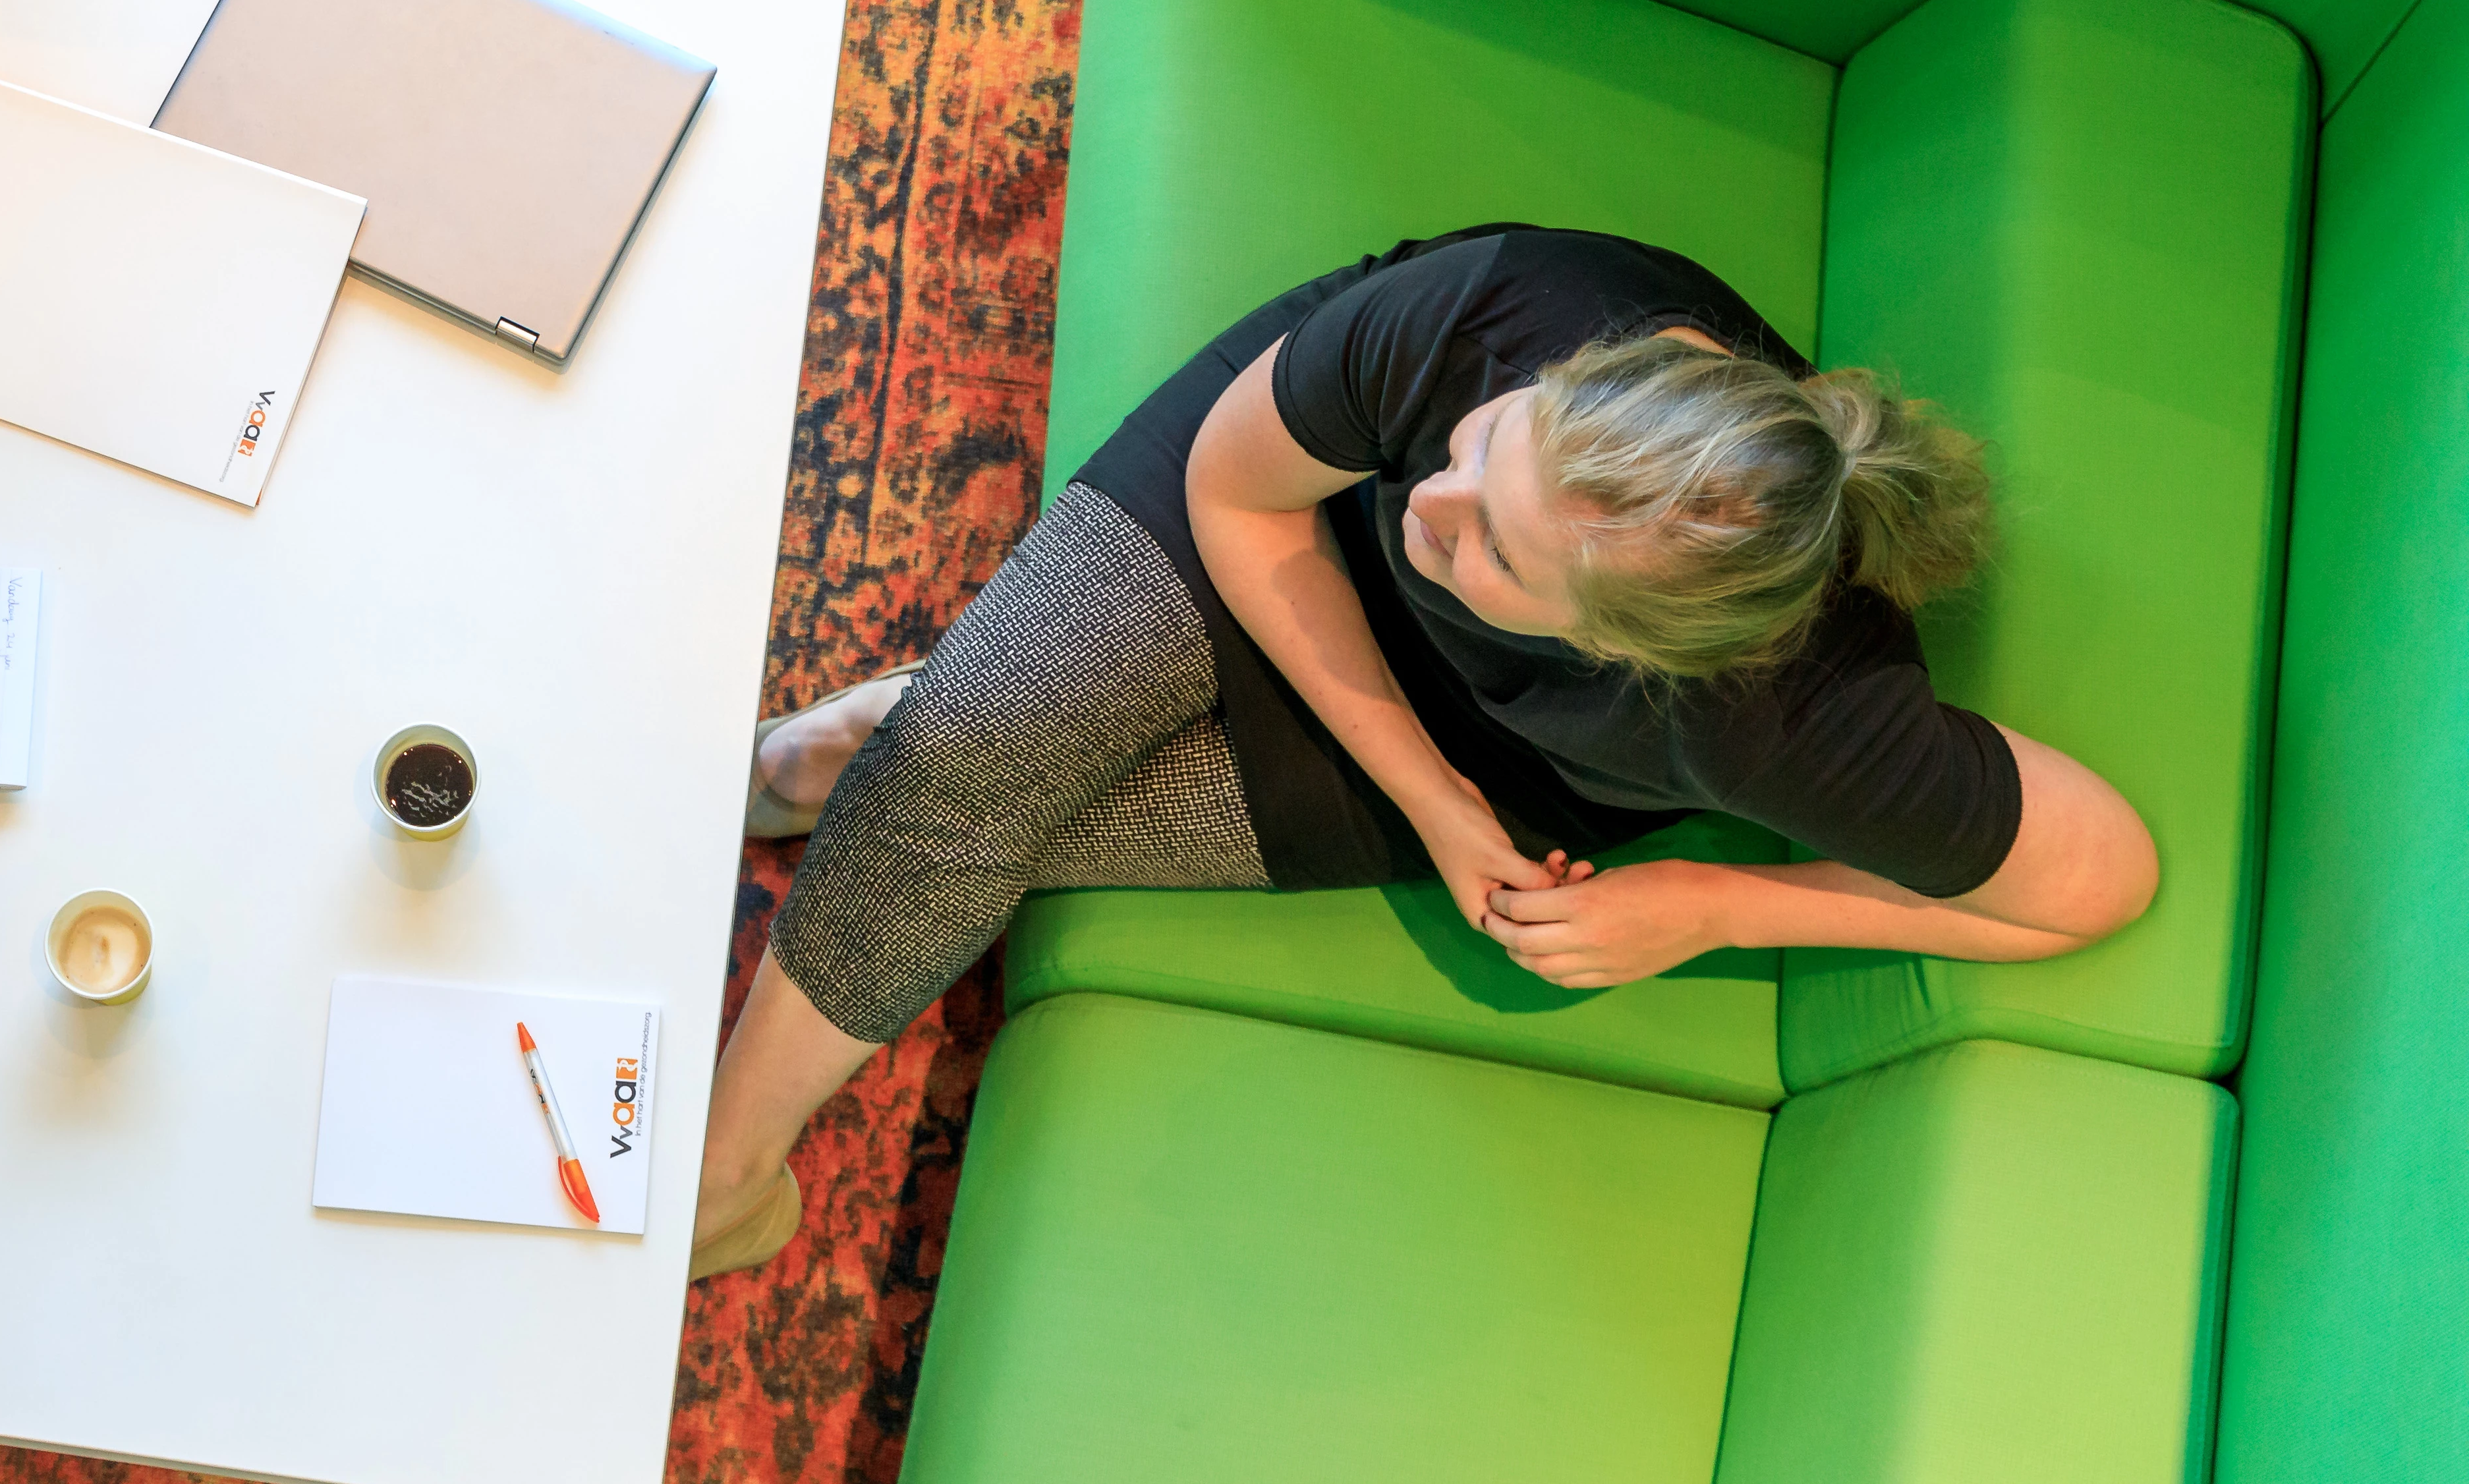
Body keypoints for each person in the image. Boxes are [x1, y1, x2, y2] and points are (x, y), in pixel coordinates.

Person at [687, 223, 2162, 1278]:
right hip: (1278, 521)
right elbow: (1246, 498)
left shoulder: (1792, 722)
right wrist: (1434, 801)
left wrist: (1710, 903)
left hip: (1507, 754)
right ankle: (731, 1177)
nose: (1433, 508)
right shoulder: (1488, 320)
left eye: (1494, 550)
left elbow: (2101, 877)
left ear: (1629, 656)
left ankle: (922, 730)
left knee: (953, 779)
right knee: (951, 772)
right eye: (1487, 448)